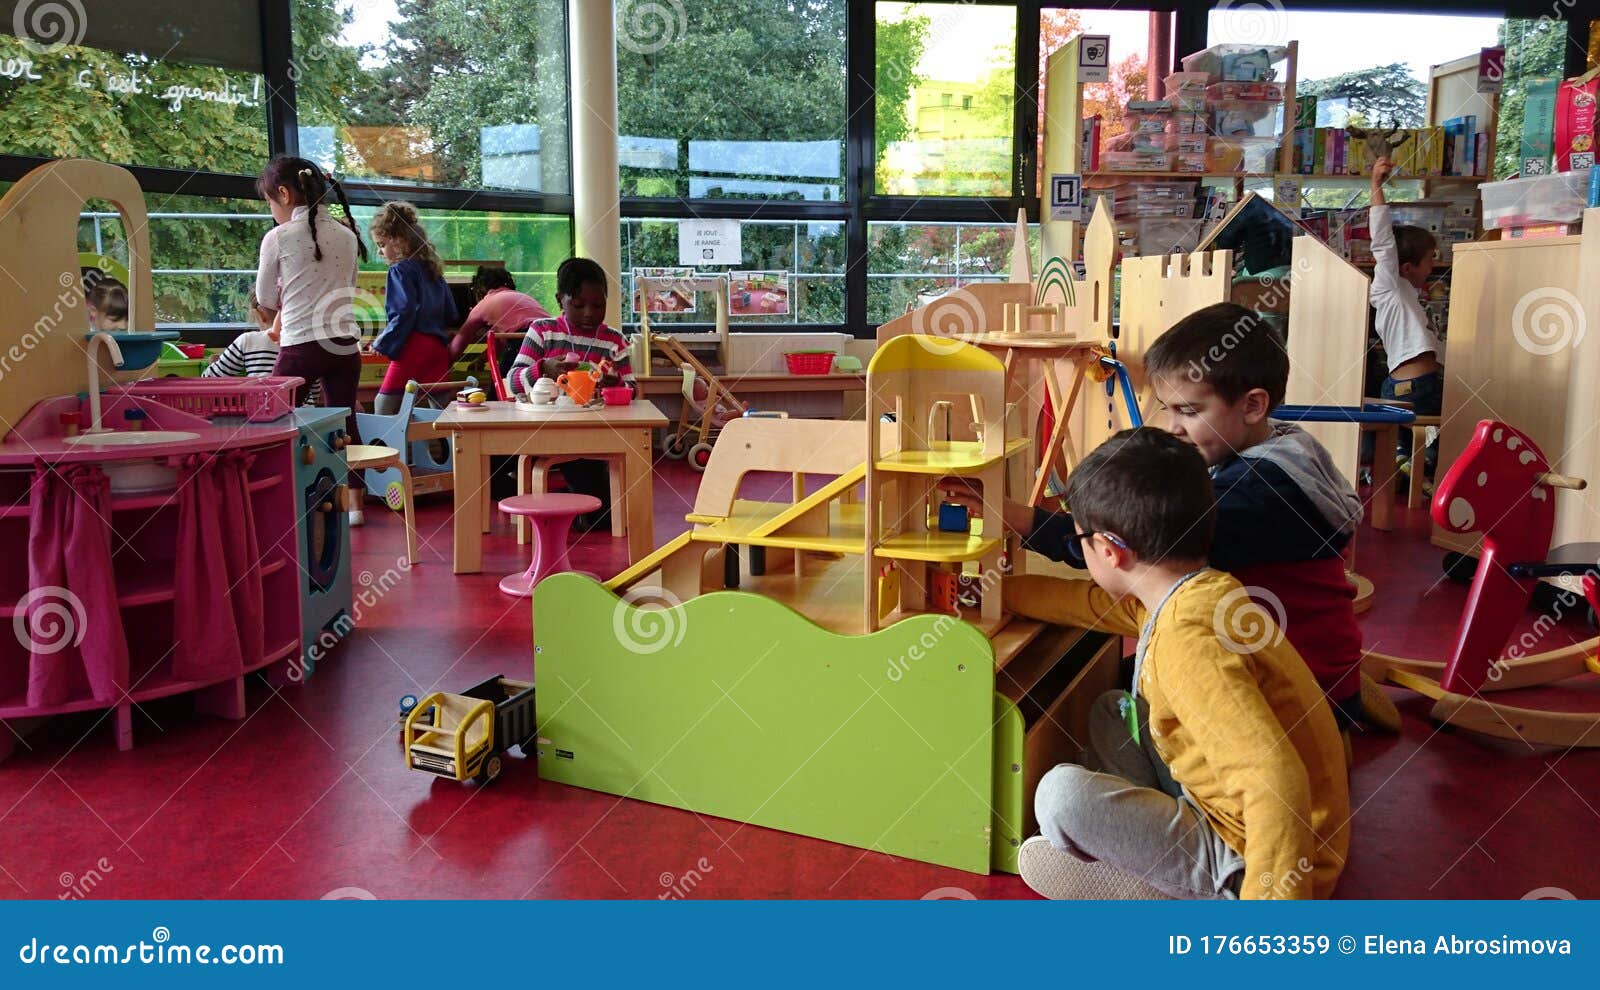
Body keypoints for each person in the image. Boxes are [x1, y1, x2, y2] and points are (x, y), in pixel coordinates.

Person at [946, 303, 1400, 735]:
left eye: (1189, 410)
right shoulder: (1284, 447)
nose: (1173, 427)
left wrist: (1022, 527)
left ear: (1253, 405)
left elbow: (1125, 551)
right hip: (1319, 664)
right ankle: (1350, 694)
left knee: (1129, 696)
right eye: (1168, 408)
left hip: (1291, 700)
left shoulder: (1251, 497)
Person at [1005, 428, 1350, 900]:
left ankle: (1170, 890)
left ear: (1109, 551)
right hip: (1227, 808)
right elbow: (1088, 603)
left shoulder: (1190, 644)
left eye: (1080, 539)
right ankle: (1142, 862)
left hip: (1251, 860)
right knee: (1114, 710)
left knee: (1060, 795)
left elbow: (1273, 779)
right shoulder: (1191, 591)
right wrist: (992, 597)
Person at [254, 154, 368, 525]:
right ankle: (355, 507)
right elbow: (347, 288)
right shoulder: (347, 235)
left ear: (284, 195)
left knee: (274, 422)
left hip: (301, 345)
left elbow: (266, 298)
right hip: (344, 346)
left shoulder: (278, 237)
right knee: (344, 421)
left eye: (270, 201)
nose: (272, 210)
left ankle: (274, 498)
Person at [506, 257, 634, 531]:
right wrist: (543, 368)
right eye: (578, 305)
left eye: (598, 305)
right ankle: (574, 506)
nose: (589, 313)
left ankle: (570, 506)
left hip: (594, 434)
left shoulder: (614, 341)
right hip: (545, 431)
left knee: (604, 511)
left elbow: (633, 392)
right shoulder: (542, 331)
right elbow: (512, 384)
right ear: (559, 300)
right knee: (600, 508)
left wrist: (615, 385)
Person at [1370, 155, 1443, 477]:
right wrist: (1376, 187)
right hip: (1417, 386)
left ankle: (1406, 467)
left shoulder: (1408, 296)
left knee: (1411, 446)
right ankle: (1418, 470)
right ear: (1407, 267)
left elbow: (1432, 344)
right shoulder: (1390, 286)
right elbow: (1383, 243)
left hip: (1405, 385)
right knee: (1438, 440)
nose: (1432, 266)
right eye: (1430, 260)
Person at [369, 201, 459, 416]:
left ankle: (387, 450)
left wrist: (383, 342)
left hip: (414, 346)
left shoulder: (399, 270)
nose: (380, 252)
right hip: (438, 348)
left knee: (383, 406)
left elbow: (404, 312)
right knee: (440, 414)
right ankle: (449, 450)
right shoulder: (433, 271)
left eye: (381, 244)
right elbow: (451, 312)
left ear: (399, 242)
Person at [201, 291, 322, 404]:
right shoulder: (308, 343)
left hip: (261, 415)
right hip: (304, 417)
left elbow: (208, 380)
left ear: (260, 314)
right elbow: (315, 392)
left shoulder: (248, 340)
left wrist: (214, 363)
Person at [447, 265, 550, 362]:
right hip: (552, 333)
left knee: (506, 378)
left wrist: (445, 358)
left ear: (479, 291)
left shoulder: (484, 304)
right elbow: (497, 344)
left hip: (524, 337)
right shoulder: (522, 297)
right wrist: (481, 360)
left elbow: (459, 344)